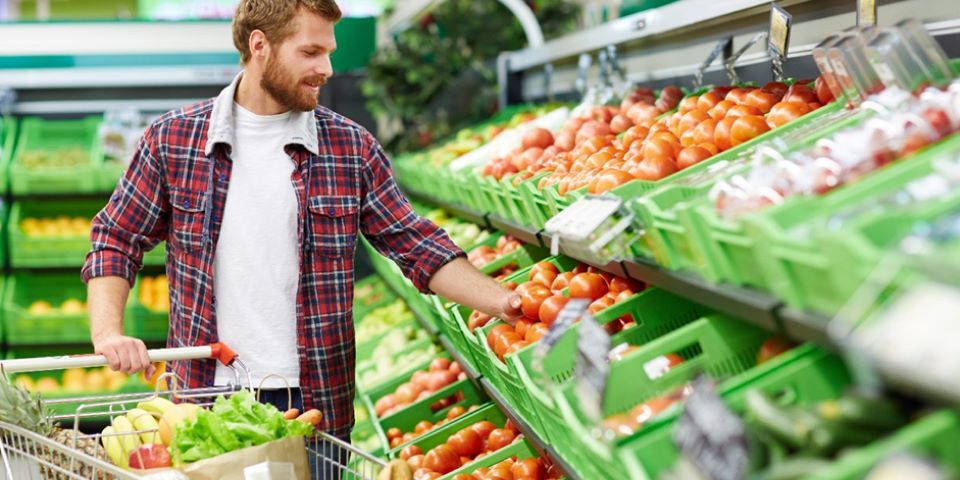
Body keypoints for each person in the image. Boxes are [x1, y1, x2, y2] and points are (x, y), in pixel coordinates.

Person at [82, 0, 521, 458]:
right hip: (203, 402)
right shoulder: (174, 140)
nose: (327, 68)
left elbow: (416, 246)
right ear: (261, 46)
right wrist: (108, 333)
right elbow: (117, 236)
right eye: (311, 52)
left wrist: (504, 303)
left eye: (328, 53)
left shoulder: (349, 147)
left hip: (314, 407)